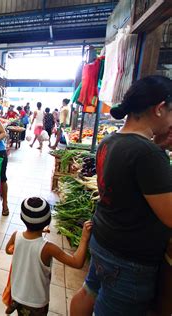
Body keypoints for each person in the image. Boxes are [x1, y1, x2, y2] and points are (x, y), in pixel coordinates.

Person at [70, 75, 172, 316]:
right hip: (129, 258)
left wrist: (159, 147)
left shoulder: (110, 141)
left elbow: (128, 183)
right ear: (159, 109)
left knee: (88, 292)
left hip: (104, 238)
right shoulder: (147, 154)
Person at [4, 197, 92, 315]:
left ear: (22, 218)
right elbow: (77, 262)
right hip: (36, 303)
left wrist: (19, 249)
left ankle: (15, 305)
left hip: (17, 293)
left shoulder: (16, 235)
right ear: (47, 222)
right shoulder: (48, 248)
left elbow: (8, 250)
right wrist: (85, 238)